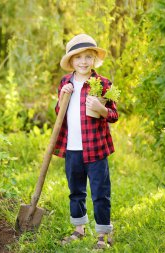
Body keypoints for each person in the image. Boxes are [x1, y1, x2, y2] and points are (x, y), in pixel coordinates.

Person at [54, 34, 118, 249]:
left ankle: (103, 233)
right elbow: (59, 113)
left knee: (100, 191)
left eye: (88, 57)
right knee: (76, 191)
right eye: (78, 57)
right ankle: (78, 229)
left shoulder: (102, 84)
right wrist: (62, 96)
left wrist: (102, 110)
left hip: (96, 149)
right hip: (72, 148)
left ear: (94, 60)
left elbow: (114, 115)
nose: (83, 61)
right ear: (71, 61)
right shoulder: (66, 82)